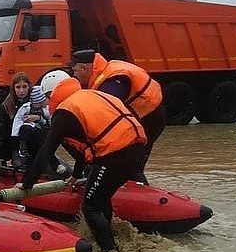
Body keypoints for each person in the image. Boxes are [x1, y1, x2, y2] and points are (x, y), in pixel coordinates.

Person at [17, 75, 146, 252]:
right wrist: (76, 175)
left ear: (53, 93)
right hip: (137, 147)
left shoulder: (65, 111)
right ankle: (107, 237)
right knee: (101, 197)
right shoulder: (88, 96)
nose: (47, 102)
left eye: (47, 97)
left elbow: (45, 151)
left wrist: (27, 184)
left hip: (115, 152)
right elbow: (83, 151)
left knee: (90, 207)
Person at [69, 49, 166, 184]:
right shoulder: (107, 70)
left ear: (85, 68)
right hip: (148, 114)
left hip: (148, 117)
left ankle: (140, 194)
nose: (74, 76)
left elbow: (109, 113)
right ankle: (129, 188)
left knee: (133, 164)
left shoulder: (111, 80)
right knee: (130, 162)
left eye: (75, 71)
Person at [11, 85, 65, 174]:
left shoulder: (46, 110)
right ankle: (24, 152)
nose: (47, 101)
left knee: (44, 144)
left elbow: (52, 122)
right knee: (25, 129)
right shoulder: (25, 109)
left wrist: (39, 118)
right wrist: (15, 143)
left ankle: (55, 164)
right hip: (30, 138)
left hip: (42, 137)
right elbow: (16, 125)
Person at [0, 72, 32, 168]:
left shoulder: (35, 101)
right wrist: (4, 156)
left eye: (24, 87)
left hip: (32, 142)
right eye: (18, 87)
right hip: (14, 144)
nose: (21, 91)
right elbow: (4, 131)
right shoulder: (7, 105)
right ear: (13, 88)